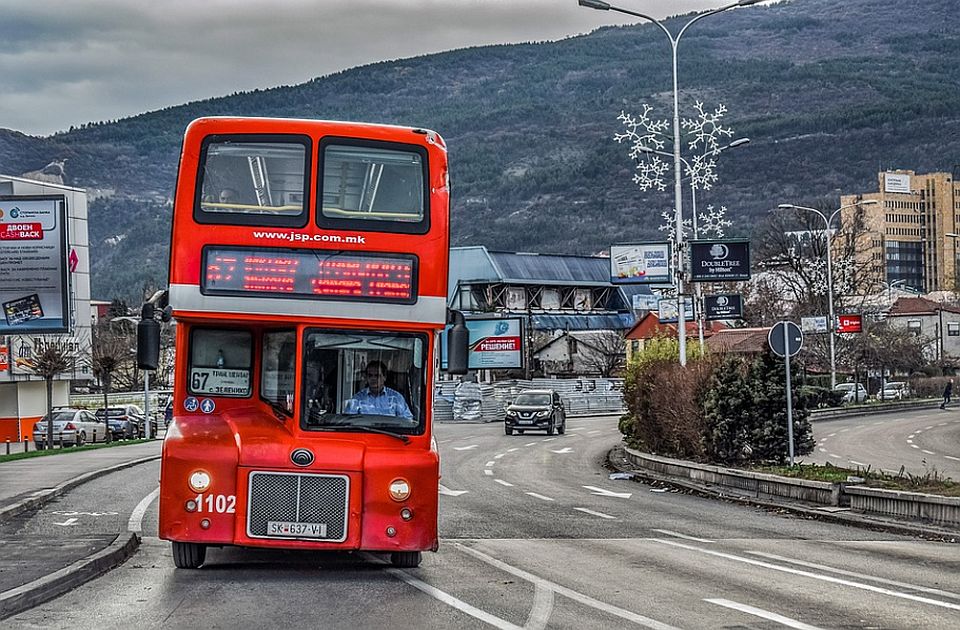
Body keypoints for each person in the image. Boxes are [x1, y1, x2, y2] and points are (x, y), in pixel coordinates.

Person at [344, 360, 413, 420]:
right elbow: (348, 422)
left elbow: (407, 420)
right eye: (370, 375)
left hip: (390, 434)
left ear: (384, 377)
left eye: (377, 375)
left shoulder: (396, 398)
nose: (373, 379)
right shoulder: (357, 399)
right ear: (366, 378)